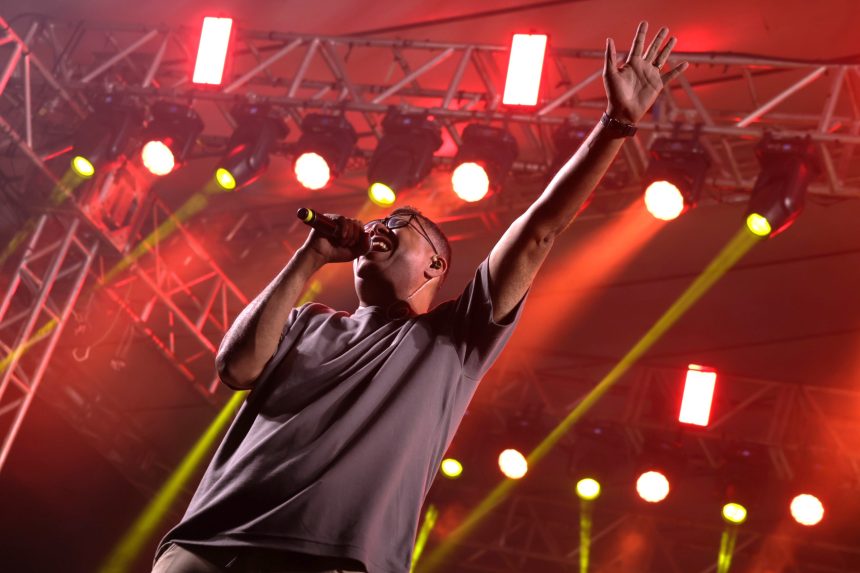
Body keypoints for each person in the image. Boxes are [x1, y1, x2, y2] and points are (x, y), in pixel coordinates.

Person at [153, 22, 687, 573]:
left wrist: (615, 125)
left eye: (400, 224)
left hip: (334, 560)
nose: (380, 227)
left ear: (435, 262)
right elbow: (236, 368)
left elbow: (538, 232)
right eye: (380, 220)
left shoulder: (453, 341)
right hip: (209, 549)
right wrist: (310, 257)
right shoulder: (305, 322)